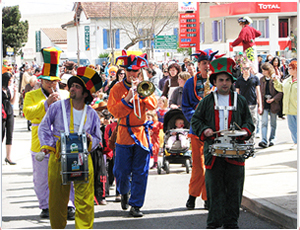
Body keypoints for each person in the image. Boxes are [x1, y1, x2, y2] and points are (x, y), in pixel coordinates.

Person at [191, 57, 254, 229]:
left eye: (227, 80)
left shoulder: (240, 101)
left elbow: (250, 122)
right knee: (214, 191)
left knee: (234, 191)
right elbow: (196, 121)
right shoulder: (207, 101)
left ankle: (231, 223)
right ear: (214, 81)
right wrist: (205, 130)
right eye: (221, 80)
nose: (224, 83)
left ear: (232, 81)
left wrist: (244, 132)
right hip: (214, 154)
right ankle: (214, 223)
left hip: (236, 153)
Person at [38, 66, 102, 228]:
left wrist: (89, 140)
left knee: (85, 200)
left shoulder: (92, 114)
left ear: (85, 93)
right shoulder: (57, 107)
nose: (71, 88)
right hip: (59, 156)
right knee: (57, 200)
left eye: (77, 86)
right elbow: (44, 127)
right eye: (71, 85)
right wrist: (50, 146)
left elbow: (97, 138)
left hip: (83, 157)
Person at [23, 47, 75, 219]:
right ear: (41, 81)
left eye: (54, 81)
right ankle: (45, 205)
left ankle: (67, 204)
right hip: (40, 142)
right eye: (48, 81)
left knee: (66, 174)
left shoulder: (66, 94)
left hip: (63, 141)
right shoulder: (32, 95)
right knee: (42, 178)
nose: (52, 85)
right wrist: (46, 105)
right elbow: (28, 114)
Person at [107, 50, 157, 217]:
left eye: (135, 71)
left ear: (139, 71)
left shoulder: (145, 86)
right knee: (120, 171)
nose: (132, 74)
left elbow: (153, 105)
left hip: (141, 134)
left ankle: (136, 205)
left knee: (140, 172)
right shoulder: (116, 88)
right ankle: (124, 191)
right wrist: (127, 98)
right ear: (125, 71)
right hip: (123, 134)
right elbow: (114, 112)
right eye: (129, 70)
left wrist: (141, 95)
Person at [182, 48, 220, 210]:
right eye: (204, 63)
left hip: (215, 132)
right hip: (197, 131)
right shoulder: (191, 82)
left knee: (211, 166)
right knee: (199, 167)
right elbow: (186, 107)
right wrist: (199, 122)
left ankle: (207, 198)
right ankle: (193, 195)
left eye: (209, 63)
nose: (207, 66)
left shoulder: (218, 82)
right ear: (198, 65)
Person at [235, 61, 262, 142]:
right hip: (243, 105)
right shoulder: (239, 80)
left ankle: (252, 142)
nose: (245, 70)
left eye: (247, 68)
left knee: (254, 123)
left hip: (253, 104)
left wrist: (260, 105)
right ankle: (245, 141)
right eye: (243, 68)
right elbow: (237, 93)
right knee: (243, 123)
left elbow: (258, 92)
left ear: (250, 68)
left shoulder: (255, 78)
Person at [273, 60, 297, 150]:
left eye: (290, 68)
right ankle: (296, 142)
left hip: (297, 107)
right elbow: (280, 88)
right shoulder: (287, 80)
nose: (288, 70)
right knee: (292, 127)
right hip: (289, 108)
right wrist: (276, 81)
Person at [258, 62, 283, 148]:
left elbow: (280, 92)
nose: (263, 72)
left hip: (273, 103)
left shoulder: (275, 78)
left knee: (273, 123)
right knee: (264, 123)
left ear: (269, 70)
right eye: (262, 70)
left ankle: (272, 139)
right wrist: (260, 103)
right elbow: (259, 92)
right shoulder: (261, 80)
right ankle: (264, 140)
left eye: (265, 70)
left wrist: (273, 99)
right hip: (264, 103)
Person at [2, 72, 17, 165]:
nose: (10, 82)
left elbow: (12, 101)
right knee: (2, 133)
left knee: (9, 134)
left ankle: (8, 157)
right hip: (2, 113)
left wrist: (15, 92)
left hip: (9, 111)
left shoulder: (8, 89)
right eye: (10, 80)